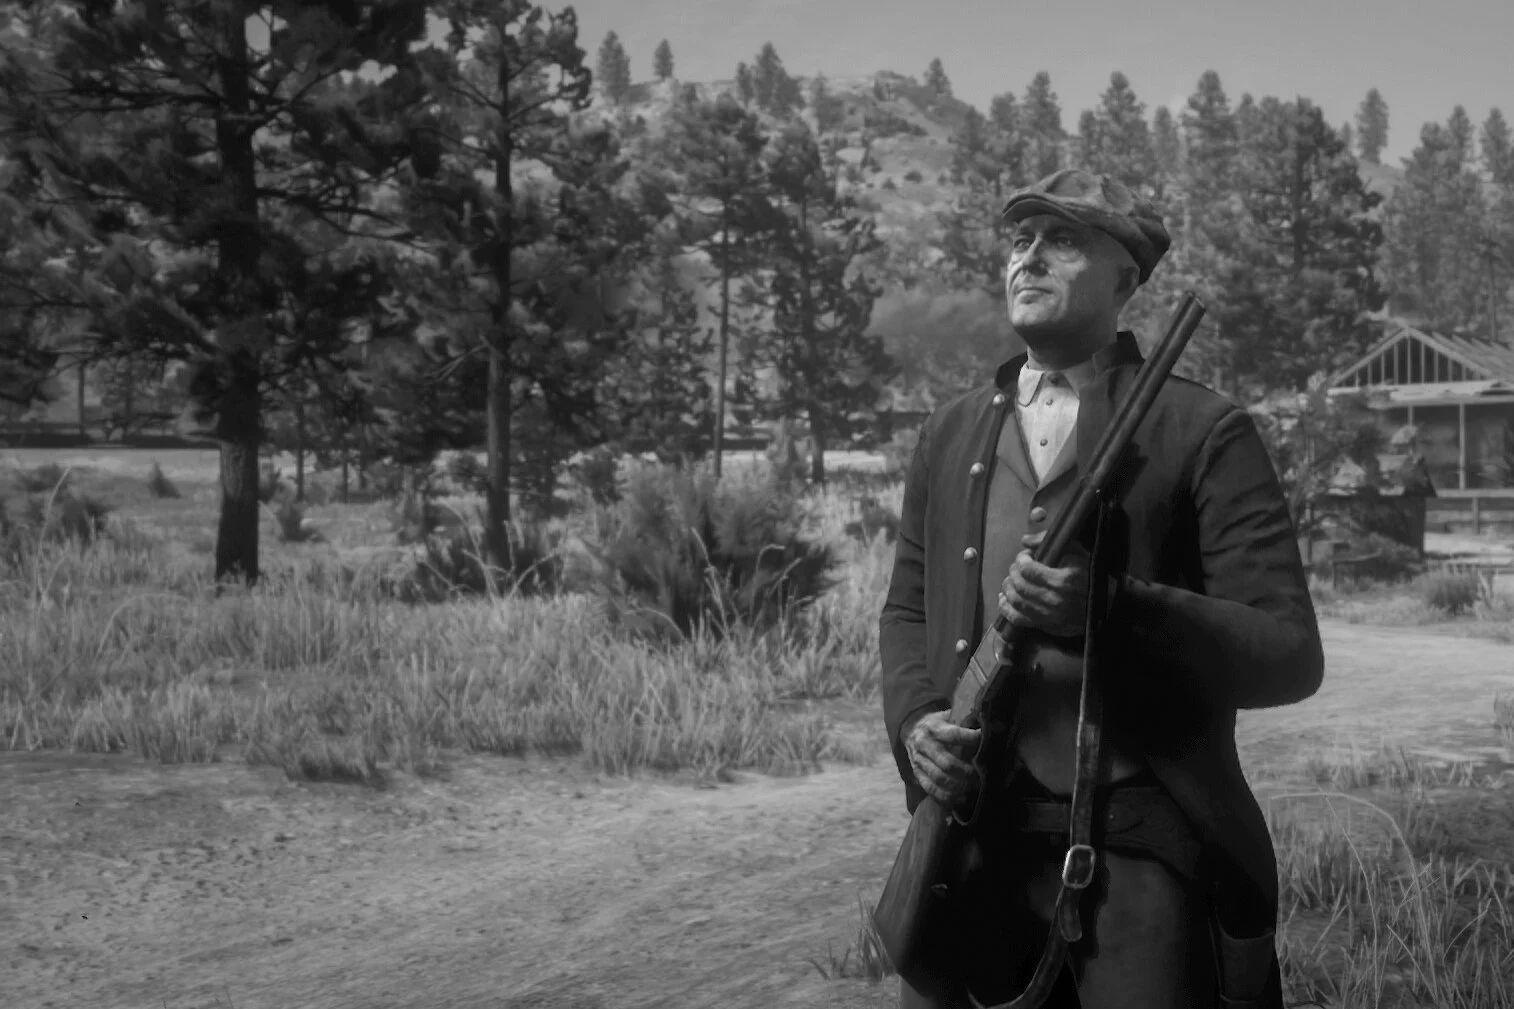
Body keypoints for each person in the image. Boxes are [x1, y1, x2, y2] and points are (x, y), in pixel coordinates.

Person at [879, 168, 1326, 1009]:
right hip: (970, 849)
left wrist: (1116, 609)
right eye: (1019, 239)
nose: (1030, 257)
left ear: (1126, 277)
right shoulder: (948, 433)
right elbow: (907, 611)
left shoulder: (1203, 429)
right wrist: (914, 724)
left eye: (1063, 239)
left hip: (1143, 849)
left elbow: (1289, 650)